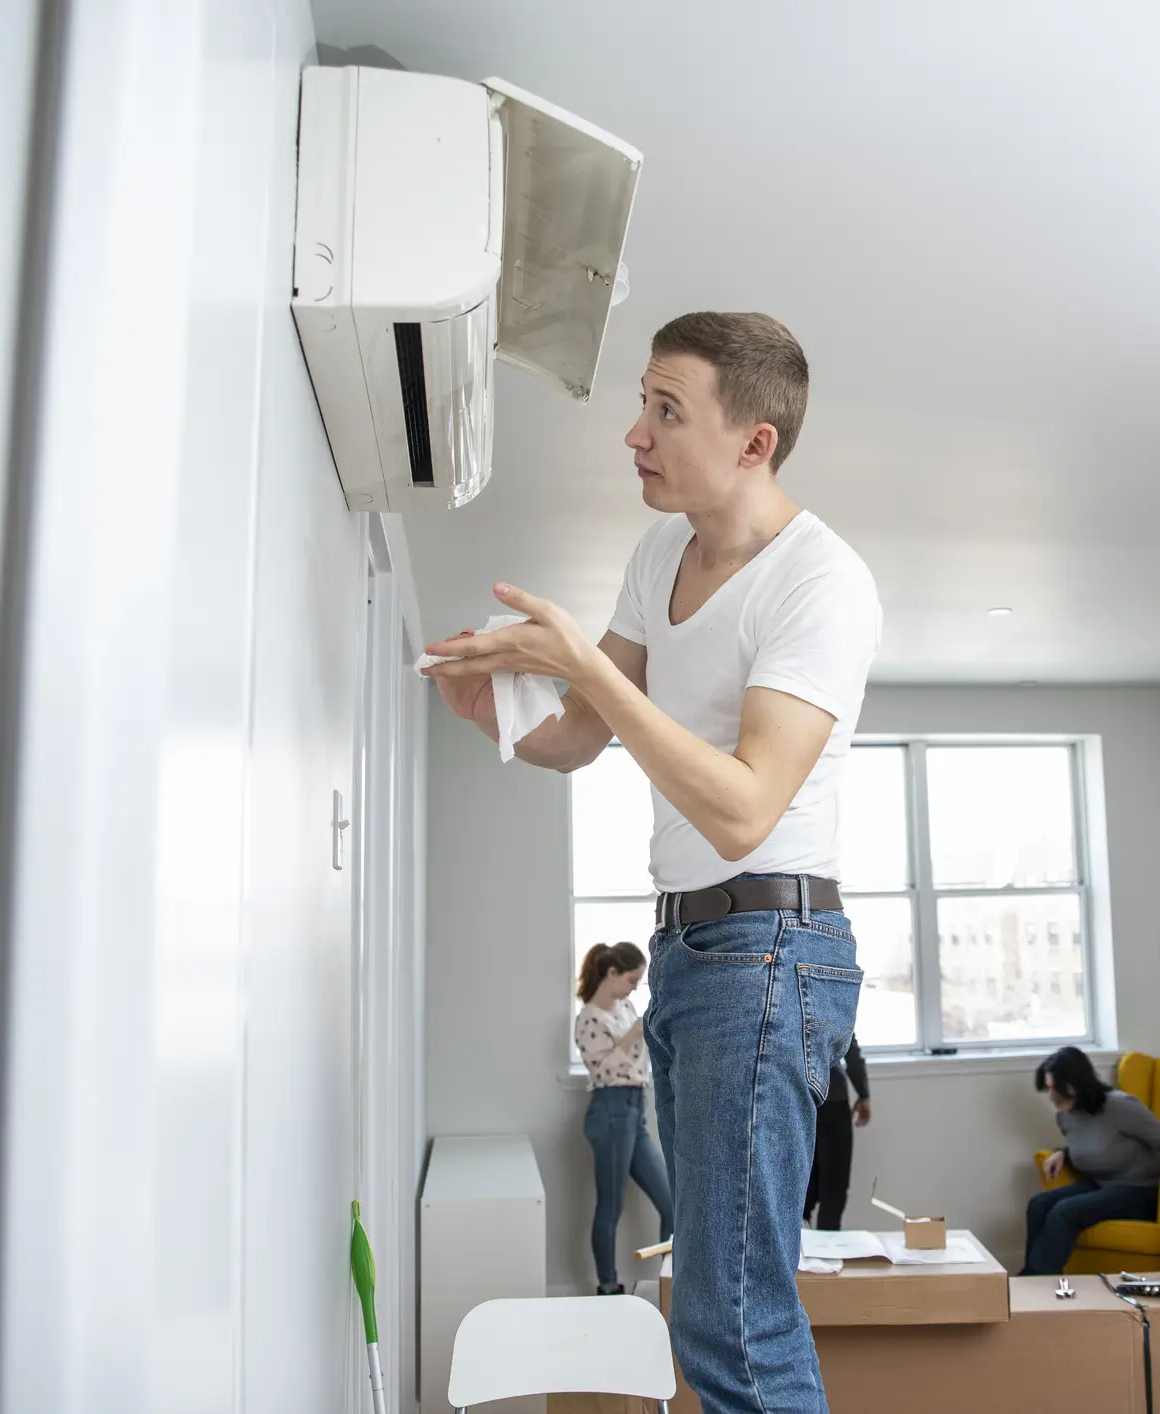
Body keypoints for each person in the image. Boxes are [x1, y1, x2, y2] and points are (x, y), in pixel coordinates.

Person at [423, 312, 881, 1414]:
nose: (634, 432)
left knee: (733, 1317)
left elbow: (742, 808)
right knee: (713, 1307)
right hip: (693, 945)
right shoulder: (657, 553)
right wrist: (499, 711)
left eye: (665, 410)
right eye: (642, 403)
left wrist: (585, 659)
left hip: (768, 948)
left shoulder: (820, 582)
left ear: (753, 441)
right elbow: (585, 733)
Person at [1019, 1046, 1160, 1277]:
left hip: (1141, 1191)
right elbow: (1095, 1143)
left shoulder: (1121, 1106)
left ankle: (1033, 1283)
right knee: (1038, 1204)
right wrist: (1063, 1153)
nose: (1050, 1096)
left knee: (1065, 1212)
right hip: (1103, 1186)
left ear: (1074, 1084)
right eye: (1048, 1089)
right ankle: (1036, 1283)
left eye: (1053, 1088)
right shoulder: (1066, 1117)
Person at [573, 941, 673, 1295]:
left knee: (672, 1203)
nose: (634, 988)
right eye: (632, 980)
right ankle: (607, 1286)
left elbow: (640, 1057)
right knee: (610, 1205)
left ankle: (670, 1283)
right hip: (611, 1108)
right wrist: (640, 1025)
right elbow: (609, 1066)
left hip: (634, 1108)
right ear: (611, 973)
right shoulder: (588, 1019)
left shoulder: (626, 1007)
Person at [803, 1036, 871, 1230]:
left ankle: (799, 1253)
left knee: (803, 1182)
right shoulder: (830, 1004)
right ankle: (828, 1251)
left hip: (796, 1098)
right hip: (831, 1098)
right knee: (834, 1185)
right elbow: (849, 1043)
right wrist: (864, 1093)